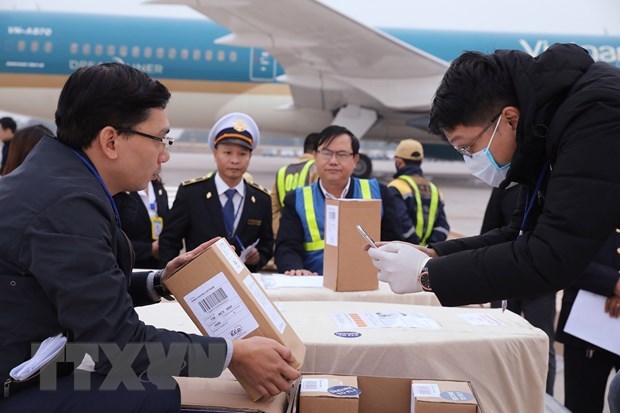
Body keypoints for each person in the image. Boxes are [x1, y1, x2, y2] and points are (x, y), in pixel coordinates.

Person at [0, 63, 299, 412]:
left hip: (24, 359)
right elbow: (118, 346)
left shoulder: (55, 181)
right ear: (110, 140)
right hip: (16, 382)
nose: (165, 154)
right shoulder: (66, 206)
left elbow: (81, 288)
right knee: (150, 394)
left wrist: (159, 282)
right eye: (160, 139)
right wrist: (231, 353)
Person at [365, 43, 620, 410]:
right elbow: (520, 233)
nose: (471, 161)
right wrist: (432, 253)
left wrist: (427, 275)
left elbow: (549, 256)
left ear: (510, 119)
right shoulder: (544, 128)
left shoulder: (594, 116)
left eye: (469, 147)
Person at [275, 125, 409, 275]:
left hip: (368, 285)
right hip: (316, 284)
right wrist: (296, 269)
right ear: (315, 156)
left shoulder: (379, 193)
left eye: (342, 154)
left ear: (355, 160)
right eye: (326, 153)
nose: (333, 161)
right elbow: (287, 247)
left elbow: (394, 244)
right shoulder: (296, 199)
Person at [158, 112, 274, 272]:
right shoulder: (191, 193)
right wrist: (173, 279)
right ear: (215, 154)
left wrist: (258, 257)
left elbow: (267, 244)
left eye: (242, 154)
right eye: (227, 153)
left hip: (243, 282)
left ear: (250, 156)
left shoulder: (261, 199)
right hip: (199, 280)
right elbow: (169, 241)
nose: (235, 160)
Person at [481, 185, 556, 395]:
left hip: (540, 280)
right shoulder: (506, 187)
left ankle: (544, 399)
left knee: (542, 343)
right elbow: (489, 230)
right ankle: (498, 395)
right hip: (505, 279)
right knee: (499, 343)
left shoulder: (551, 184)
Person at [555, 232, 620, 413]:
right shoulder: (585, 202)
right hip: (586, 325)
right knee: (582, 405)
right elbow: (561, 254)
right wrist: (612, 282)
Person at [388, 139, 450, 245]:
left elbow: (400, 222)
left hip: (402, 252)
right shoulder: (434, 189)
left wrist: (415, 244)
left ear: (399, 162)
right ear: (421, 162)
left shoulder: (395, 187)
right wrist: (428, 247)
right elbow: (443, 226)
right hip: (427, 255)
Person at [113, 176, 170, 269]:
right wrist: (149, 249)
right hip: (131, 268)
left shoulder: (160, 190)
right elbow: (114, 239)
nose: (162, 160)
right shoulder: (121, 191)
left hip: (158, 267)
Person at [271, 132, 319, 236]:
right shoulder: (316, 169)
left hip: (285, 233)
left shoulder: (282, 171)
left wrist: (280, 232)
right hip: (310, 235)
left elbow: (274, 208)